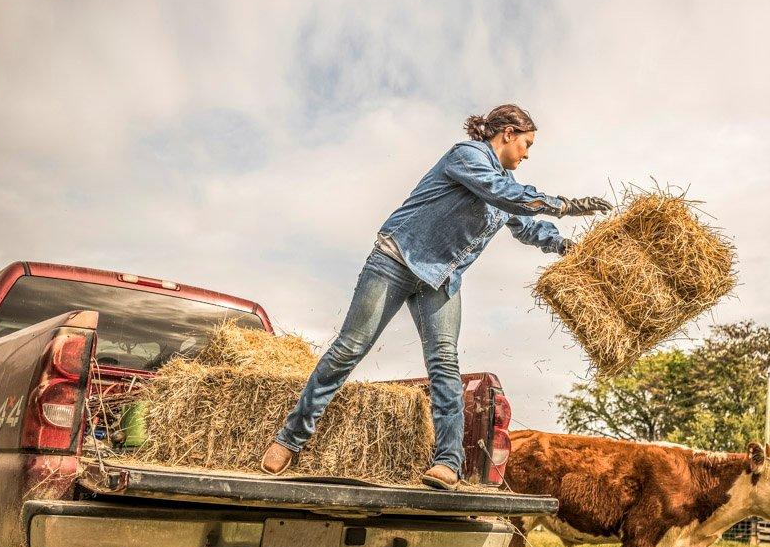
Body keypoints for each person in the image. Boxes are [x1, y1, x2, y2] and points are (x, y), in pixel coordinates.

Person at [261, 103, 610, 489]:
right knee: (350, 347)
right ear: (507, 133)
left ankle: (447, 462)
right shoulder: (469, 156)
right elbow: (503, 193)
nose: (527, 154)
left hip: (440, 279)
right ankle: (290, 438)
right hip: (396, 260)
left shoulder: (506, 186)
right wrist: (564, 205)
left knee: (444, 364)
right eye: (526, 144)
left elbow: (526, 226)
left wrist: (566, 247)